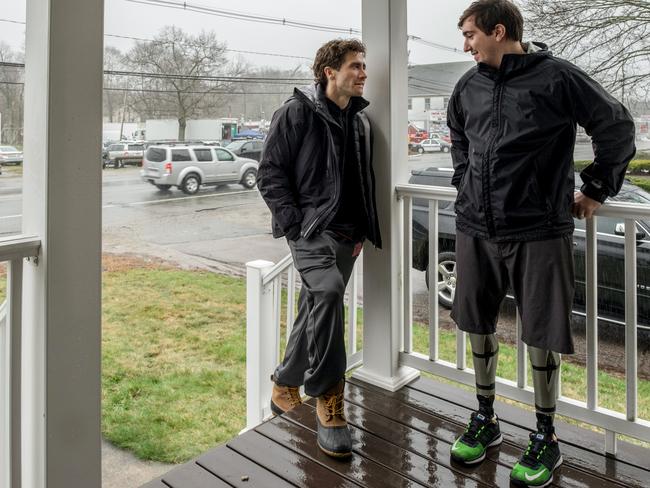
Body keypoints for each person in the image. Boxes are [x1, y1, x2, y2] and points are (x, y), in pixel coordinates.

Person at [446, 1, 635, 486]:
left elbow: (616, 127)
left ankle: (546, 438)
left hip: (538, 229)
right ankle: (485, 419)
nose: (465, 44)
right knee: (475, 322)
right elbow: (459, 138)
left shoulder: (557, 78)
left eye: (470, 34)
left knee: (542, 332)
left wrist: (595, 189)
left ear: (499, 30)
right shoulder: (468, 86)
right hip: (475, 226)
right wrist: (465, 178)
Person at [256, 38, 381, 459]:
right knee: (327, 293)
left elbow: (362, 182)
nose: (363, 73)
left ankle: (283, 383)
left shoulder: (359, 122)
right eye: (356, 66)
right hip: (311, 230)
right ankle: (328, 400)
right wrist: (296, 226)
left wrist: (362, 230)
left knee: (315, 305)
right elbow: (269, 174)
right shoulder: (296, 112)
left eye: (363, 66)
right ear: (330, 72)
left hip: (348, 235)